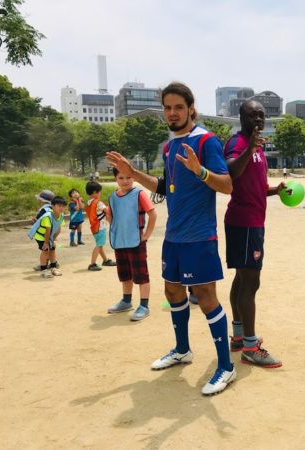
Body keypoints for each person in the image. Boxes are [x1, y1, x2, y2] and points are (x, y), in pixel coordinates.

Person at [106, 81, 235, 396]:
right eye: (167, 107)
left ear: (191, 108)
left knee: (205, 297)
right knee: (173, 291)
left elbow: (228, 185)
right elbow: (165, 186)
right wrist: (132, 173)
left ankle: (226, 367)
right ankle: (182, 350)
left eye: (179, 107)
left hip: (200, 237)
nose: (172, 113)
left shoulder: (206, 141)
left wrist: (200, 171)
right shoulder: (168, 146)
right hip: (174, 236)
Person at [222, 100, 286, 368]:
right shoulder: (237, 143)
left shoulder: (259, 149)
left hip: (253, 222)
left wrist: (276, 190)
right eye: (252, 115)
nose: (258, 118)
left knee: (242, 278)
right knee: (251, 283)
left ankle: (238, 336)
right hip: (244, 223)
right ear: (242, 117)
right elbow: (231, 173)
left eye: (261, 115)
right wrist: (250, 148)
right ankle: (250, 346)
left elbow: (256, 187)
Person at [105, 167, 157, 321]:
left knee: (141, 274)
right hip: (120, 241)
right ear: (116, 179)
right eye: (121, 178)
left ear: (134, 177)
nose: (125, 181)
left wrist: (146, 235)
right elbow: (113, 220)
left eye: (128, 177)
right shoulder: (113, 197)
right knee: (124, 273)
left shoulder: (139, 194)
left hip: (136, 241)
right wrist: (108, 216)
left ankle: (144, 306)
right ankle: (126, 301)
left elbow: (152, 214)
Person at [28, 196, 67, 278]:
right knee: (45, 250)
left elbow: (58, 229)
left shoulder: (61, 216)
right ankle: (43, 270)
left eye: (63, 206)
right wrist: (46, 243)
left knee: (52, 249)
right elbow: (47, 231)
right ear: (52, 206)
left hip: (49, 236)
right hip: (40, 236)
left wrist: (52, 241)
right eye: (59, 206)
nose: (61, 208)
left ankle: (53, 268)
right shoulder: (48, 216)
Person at [84, 181, 116, 271]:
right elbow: (107, 210)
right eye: (99, 192)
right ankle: (92, 264)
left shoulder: (89, 203)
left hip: (94, 227)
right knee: (99, 245)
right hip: (100, 227)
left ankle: (105, 260)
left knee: (100, 244)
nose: (100, 194)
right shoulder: (98, 203)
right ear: (95, 192)